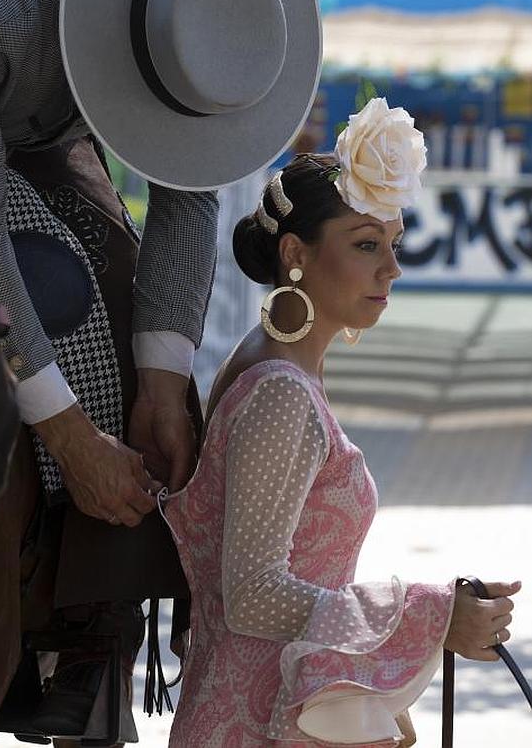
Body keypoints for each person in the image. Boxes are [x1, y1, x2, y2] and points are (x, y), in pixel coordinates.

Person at [0, 0, 323, 744]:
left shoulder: (215, 18)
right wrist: (64, 432)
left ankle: (92, 630)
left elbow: (188, 198)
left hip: (52, 129)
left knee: (125, 303)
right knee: (50, 294)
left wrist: (163, 390)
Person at [165, 97, 521, 747]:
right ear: (296, 253)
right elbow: (250, 595)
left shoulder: (278, 372)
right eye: (365, 245)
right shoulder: (278, 394)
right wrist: (429, 619)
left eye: (393, 243)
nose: (391, 267)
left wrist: (369, 673)